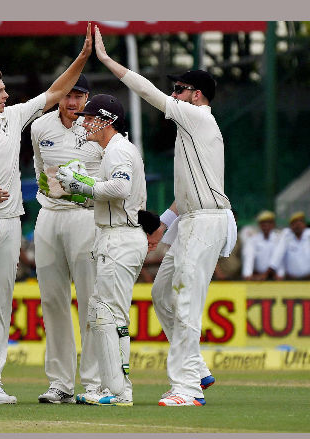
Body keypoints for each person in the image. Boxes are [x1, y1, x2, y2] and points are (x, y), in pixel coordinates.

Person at [92, 26, 236, 406]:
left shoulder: (198, 117)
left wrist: (109, 62)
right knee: (161, 294)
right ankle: (198, 368)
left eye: (180, 90)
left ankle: (187, 388)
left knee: (185, 300)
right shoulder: (190, 131)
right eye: (175, 90)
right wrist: (162, 232)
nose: (174, 95)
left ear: (197, 95)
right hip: (192, 218)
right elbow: (185, 196)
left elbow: (148, 93)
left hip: (206, 221)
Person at [0, 22, 93, 405]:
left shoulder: (14, 118)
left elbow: (56, 90)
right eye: (0, 91)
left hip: (6, 221)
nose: (7, 95)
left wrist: (84, 55)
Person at [55, 94, 148, 406]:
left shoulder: (119, 150)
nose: (84, 122)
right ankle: (114, 387)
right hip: (113, 237)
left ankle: (119, 390)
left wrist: (84, 185)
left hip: (121, 237)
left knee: (109, 314)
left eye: (91, 117)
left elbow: (120, 189)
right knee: (102, 313)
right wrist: (79, 193)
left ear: (107, 120)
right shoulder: (113, 151)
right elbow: (110, 194)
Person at [30, 74, 102, 404]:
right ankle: (60, 382)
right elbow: (40, 170)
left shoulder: (97, 129)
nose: (73, 102)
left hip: (86, 217)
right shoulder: (40, 127)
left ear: (87, 98)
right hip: (49, 216)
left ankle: (93, 382)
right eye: (68, 95)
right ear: (58, 96)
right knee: (53, 301)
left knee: (89, 299)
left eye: (80, 95)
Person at [267, 211, 310, 280]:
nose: (298, 225)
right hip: (291, 279)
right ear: (291, 226)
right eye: (295, 223)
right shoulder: (286, 235)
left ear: (304, 224)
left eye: (300, 222)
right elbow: (278, 254)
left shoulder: (308, 234)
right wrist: (269, 272)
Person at [241, 210, 281, 280]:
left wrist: (280, 274)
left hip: (275, 276)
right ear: (259, 225)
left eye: (269, 223)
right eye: (263, 223)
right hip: (258, 276)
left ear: (273, 224)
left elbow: (280, 258)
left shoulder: (279, 238)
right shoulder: (253, 240)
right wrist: (247, 274)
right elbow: (249, 257)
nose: (266, 226)